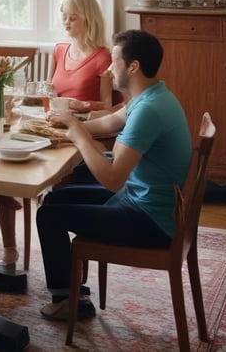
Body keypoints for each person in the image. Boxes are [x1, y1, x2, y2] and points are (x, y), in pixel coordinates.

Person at [35, 29, 192, 321]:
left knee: (48, 216)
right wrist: (68, 124)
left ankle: (71, 302)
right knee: (54, 198)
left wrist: (78, 134)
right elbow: (110, 122)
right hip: (144, 199)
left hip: (149, 220)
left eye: (114, 60)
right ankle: (73, 290)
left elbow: (112, 179)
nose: (108, 69)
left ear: (133, 67)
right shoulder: (152, 95)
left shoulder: (149, 110)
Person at [0, 0, 114, 267]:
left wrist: (79, 105)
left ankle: (40, 199)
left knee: (43, 173)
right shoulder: (60, 50)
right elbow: (47, 93)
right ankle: (10, 243)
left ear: (88, 19)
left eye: (73, 17)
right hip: (52, 125)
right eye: (64, 16)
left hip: (79, 130)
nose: (66, 22)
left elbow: (108, 105)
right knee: (2, 157)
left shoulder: (102, 56)